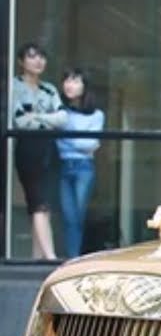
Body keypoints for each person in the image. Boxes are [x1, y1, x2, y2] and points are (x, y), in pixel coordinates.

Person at [11, 42, 66, 259]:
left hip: (49, 149)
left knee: (46, 204)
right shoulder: (14, 87)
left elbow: (62, 118)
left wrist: (37, 117)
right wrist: (47, 120)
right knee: (38, 202)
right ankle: (50, 257)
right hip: (28, 148)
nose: (38, 61)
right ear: (21, 61)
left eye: (41, 57)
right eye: (32, 56)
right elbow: (20, 121)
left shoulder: (49, 89)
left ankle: (37, 257)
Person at [57, 68, 104, 258]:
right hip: (63, 166)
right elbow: (58, 141)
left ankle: (76, 258)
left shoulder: (96, 114)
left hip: (84, 167)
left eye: (75, 81)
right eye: (67, 80)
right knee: (69, 217)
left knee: (79, 215)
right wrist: (79, 141)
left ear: (85, 87)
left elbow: (90, 144)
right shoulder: (60, 112)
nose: (70, 85)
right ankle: (72, 257)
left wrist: (67, 137)